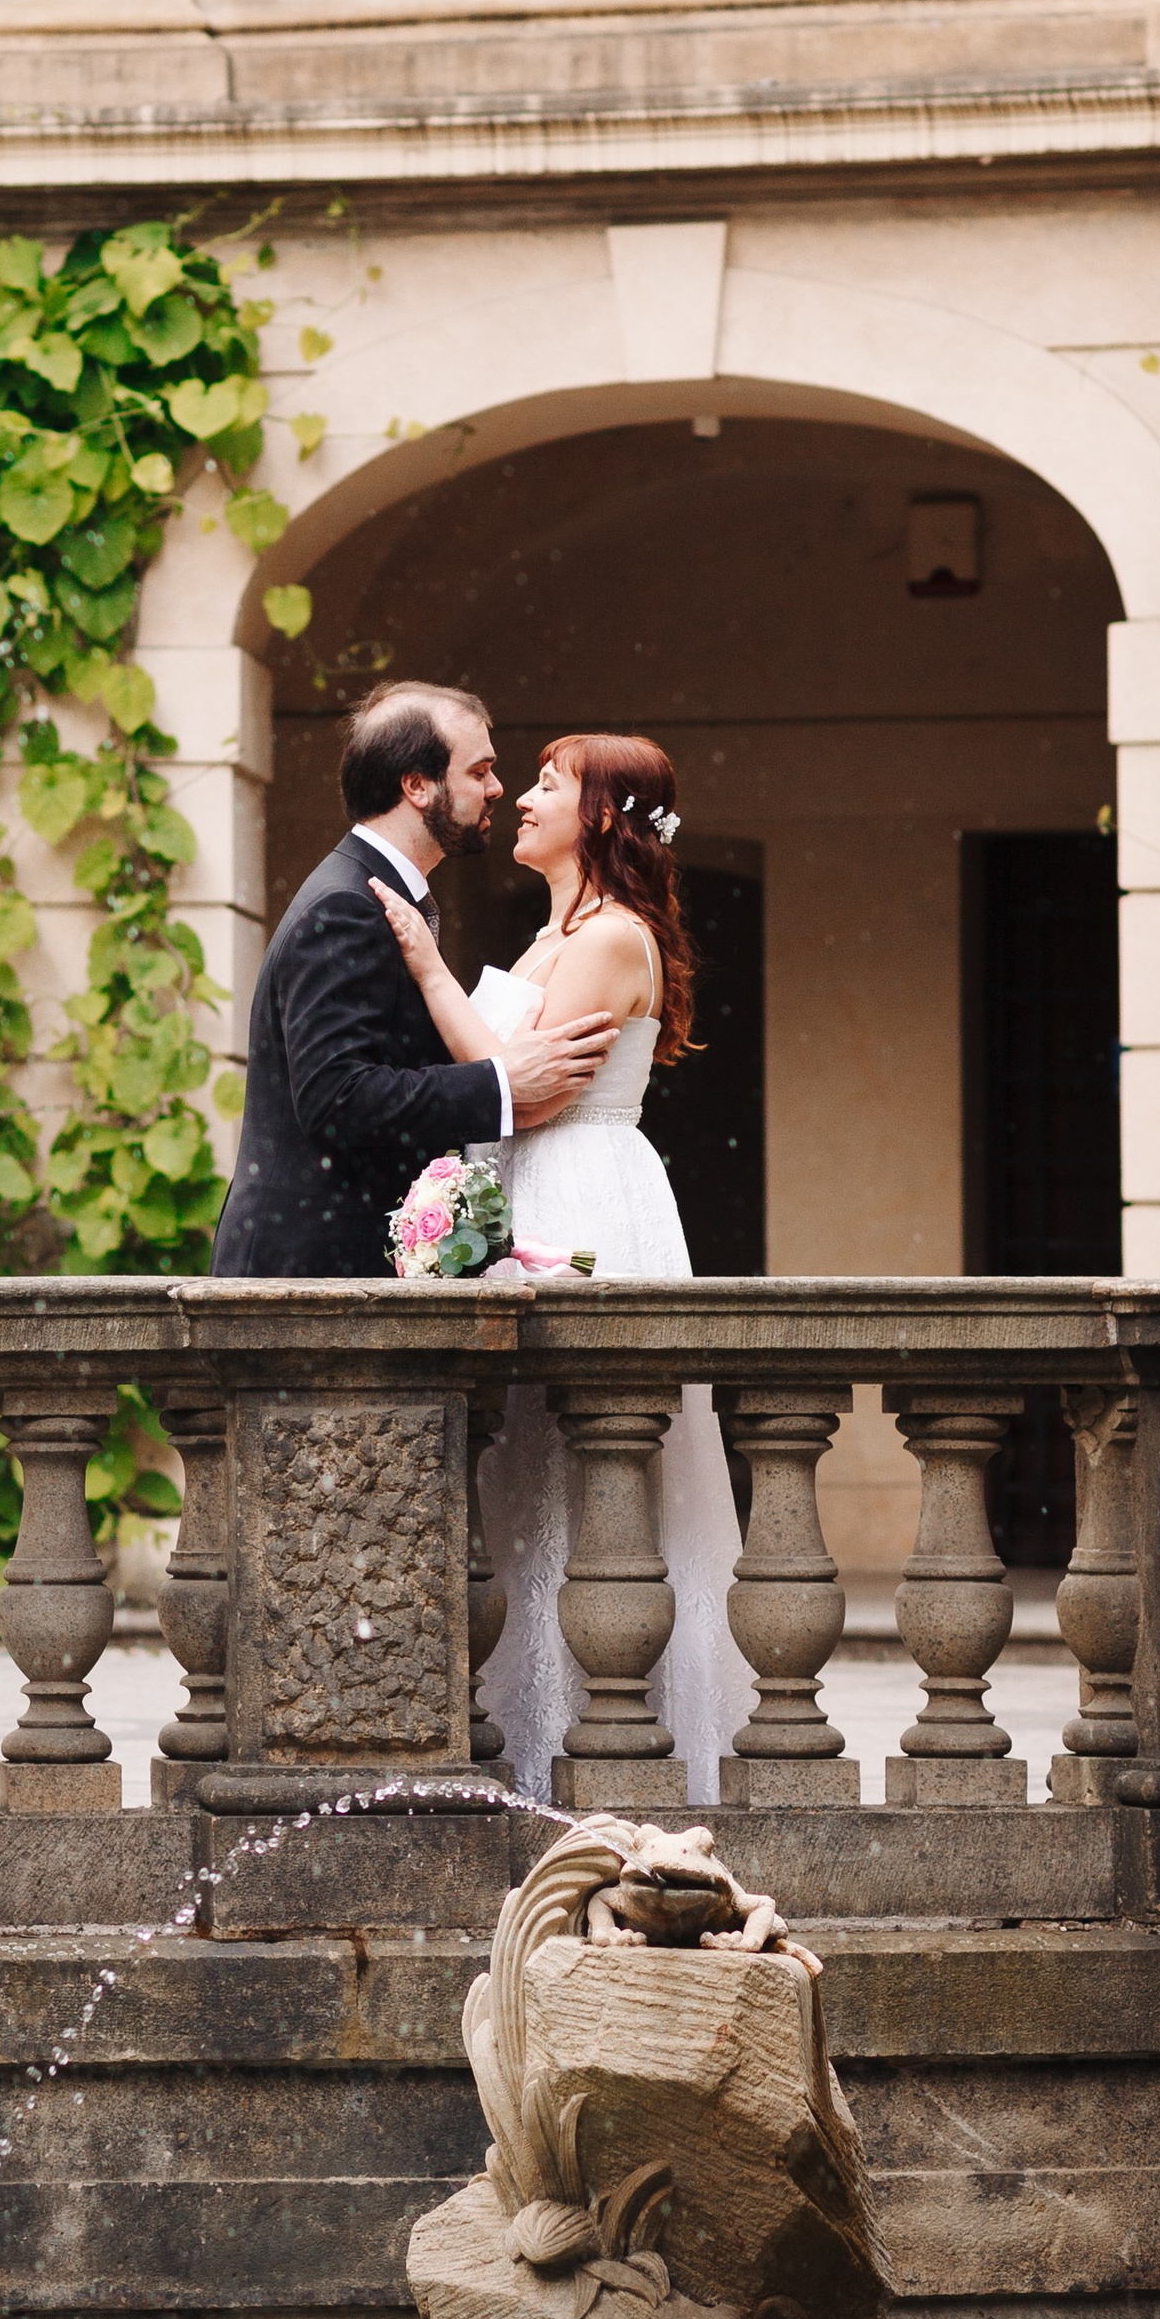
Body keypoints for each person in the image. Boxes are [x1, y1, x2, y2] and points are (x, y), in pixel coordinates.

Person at [369, 727, 749, 1797]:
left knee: (593, 1482)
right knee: (521, 1481)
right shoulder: (549, 938)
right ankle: (523, 1734)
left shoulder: (611, 938)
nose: (521, 801)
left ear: (603, 818)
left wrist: (425, 965)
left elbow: (519, 1084)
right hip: (524, 1184)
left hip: (581, 1192)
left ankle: (601, 1749)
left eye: (546, 784)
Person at [209, 680, 617, 1279]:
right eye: (480, 771)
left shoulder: (376, 894)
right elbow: (335, 1097)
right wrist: (502, 1083)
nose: (498, 789)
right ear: (417, 785)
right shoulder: (345, 907)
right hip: (305, 1276)